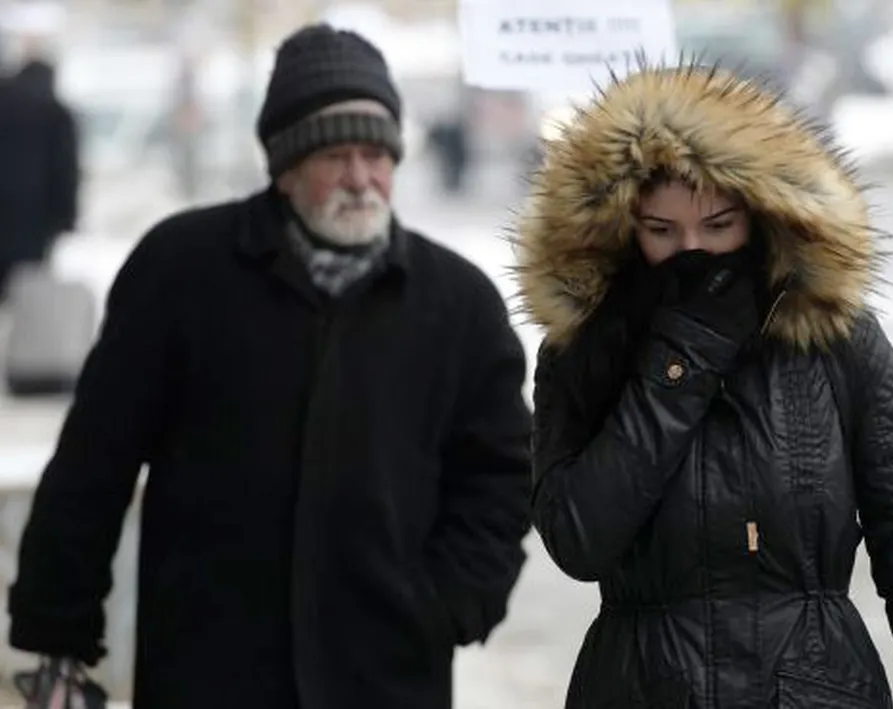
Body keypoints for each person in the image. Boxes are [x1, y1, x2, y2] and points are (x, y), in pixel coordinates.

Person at [7, 24, 532, 709]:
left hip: (384, 670)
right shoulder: (182, 270)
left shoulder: (458, 302)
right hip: (209, 663)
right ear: (285, 165)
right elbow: (94, 463)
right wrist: (59, 631)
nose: (360, 178)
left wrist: (450, 602)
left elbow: (501, 475)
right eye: (335, 153)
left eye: (376, 154)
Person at [515, 63, 893, 708]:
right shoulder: (587, 351)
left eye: (717, 226)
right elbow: (579, 540)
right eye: (662, 230)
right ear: (625, 229)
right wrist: (676, 366)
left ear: (761, 215)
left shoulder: (833, 338)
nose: (693, 250)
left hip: (816, 689)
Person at [0, 52, 79, 296]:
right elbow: (65, 170)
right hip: (34, 222)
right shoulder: (55, 112)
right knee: (25, 293)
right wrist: (66, 218)